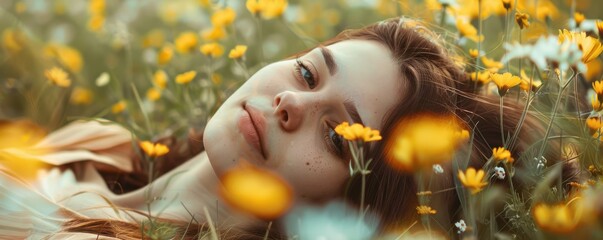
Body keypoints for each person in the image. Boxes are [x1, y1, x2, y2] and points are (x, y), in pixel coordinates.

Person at [0, 17, 579, 239]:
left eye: (337, 135)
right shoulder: (101, 146)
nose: (289, 104)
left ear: (348, 204)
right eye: (307, 71)